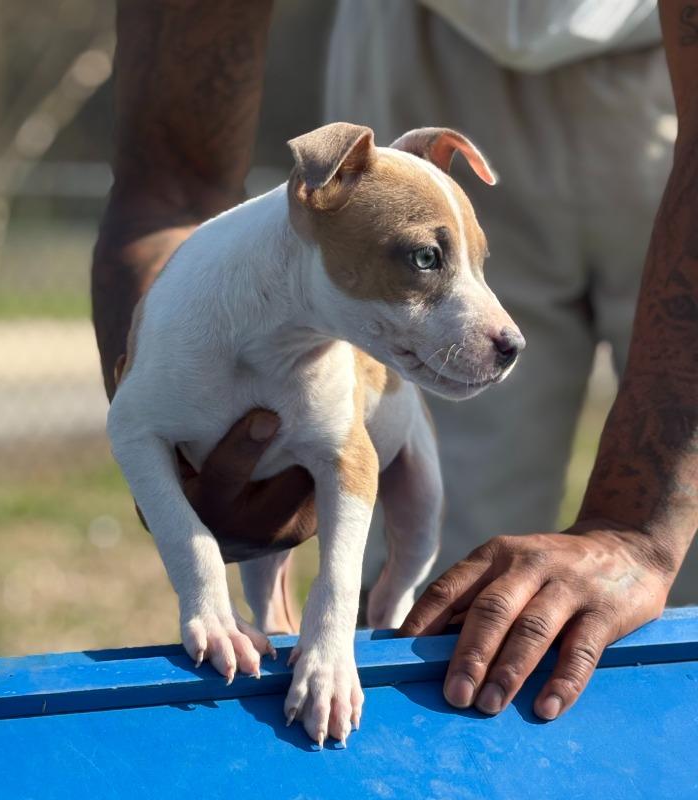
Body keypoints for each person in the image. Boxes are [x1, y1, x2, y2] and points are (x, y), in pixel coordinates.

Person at [92, 0, 698, 723]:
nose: (507, 331)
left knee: (658, 595)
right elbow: (171, 174)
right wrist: (158, 385)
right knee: (461, 603)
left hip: (662, 79)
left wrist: (637, 530)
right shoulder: (344, 187)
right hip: (421, 38)